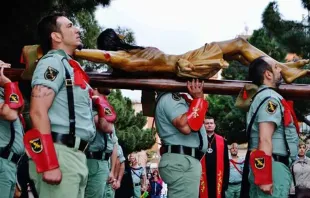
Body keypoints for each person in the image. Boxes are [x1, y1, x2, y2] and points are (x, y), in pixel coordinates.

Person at [24, 12, 96, 198]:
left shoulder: (68, 66)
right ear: (56, 36)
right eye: (70, 26)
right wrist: (49, 162)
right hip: (60, 153)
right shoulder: (53, 62)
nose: (77, 29)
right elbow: (37, 111)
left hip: (74, 156)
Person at [74, 28, 310, 84]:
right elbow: (105, 56)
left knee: (239, 51)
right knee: (239, 43)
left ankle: (278, 69)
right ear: (114, 41)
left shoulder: (131, 56)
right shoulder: (125, 58)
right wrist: (75, 50)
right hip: (187, 63)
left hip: (186, 60)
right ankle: (283, 69)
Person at [240, 56, 299, 198]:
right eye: (276, 67)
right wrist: (265, 178)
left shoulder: (261, 96)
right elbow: (264, 139)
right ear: (268, 74)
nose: (280, 70)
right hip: (273, 168)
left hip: (267, 166)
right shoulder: (270, 99)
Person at [155, 79, 208, 198]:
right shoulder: (169, 98)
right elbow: (185, 126)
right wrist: (198, 100)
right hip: (182, 161)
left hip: (183, 160)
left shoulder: (176, 98)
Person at [85, 88, 117, 198]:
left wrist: (112, 171)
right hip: (93, 160)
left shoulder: (106, 109)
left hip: (105, 162)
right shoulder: (91, 107)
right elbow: (105, 127)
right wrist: (100, 104)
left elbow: (114, 145)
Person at [0, 61, 25, 198]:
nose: (7, 67)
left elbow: (19, 107)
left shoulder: (4, 94)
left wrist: (9, 87)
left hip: (9, 164)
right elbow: (9, 113)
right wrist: (8, 84)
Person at [200, 116, 229, 198]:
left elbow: (226, 162)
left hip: (218, 177)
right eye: (207, 123)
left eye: (211, 123)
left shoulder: (222, 141)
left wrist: (225, 181)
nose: (209, 125)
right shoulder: (199, 140)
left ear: (214, 125)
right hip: (202, 177)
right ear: (203, 125)